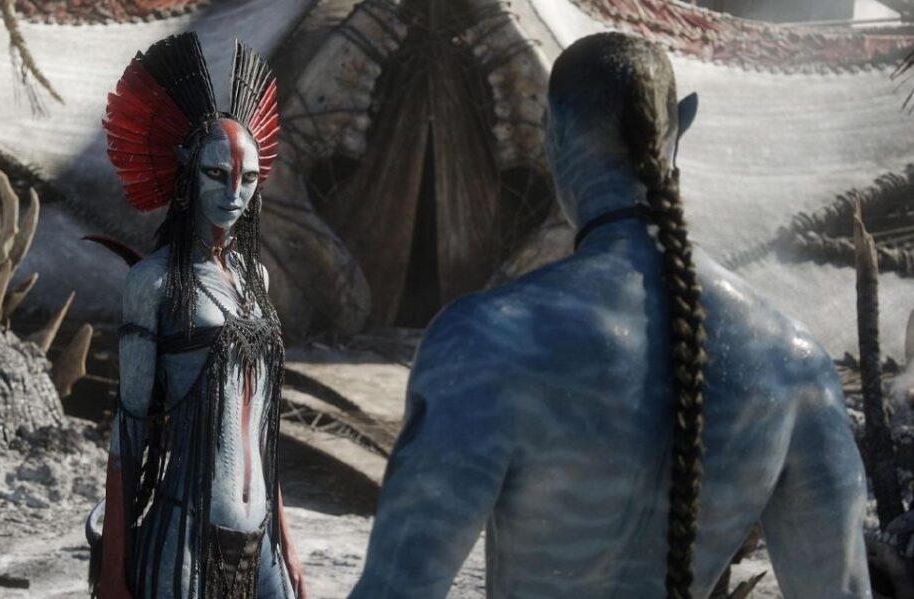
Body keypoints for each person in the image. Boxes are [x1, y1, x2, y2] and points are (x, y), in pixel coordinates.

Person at [350, 32, 869, 598]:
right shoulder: (794, 364)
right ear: (680, 128)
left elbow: (397, 590)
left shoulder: (489, 339)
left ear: (552, 132)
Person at [90, 32, 304, 599]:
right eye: (216, 173)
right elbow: (128, 432)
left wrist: (288, 546)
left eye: (248, 178)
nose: (234, 192)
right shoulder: (153, 282)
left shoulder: (257, 281)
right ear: (187, 174)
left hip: (263, 544)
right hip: (181, 538)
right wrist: (112, 571)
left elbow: (264, 431)